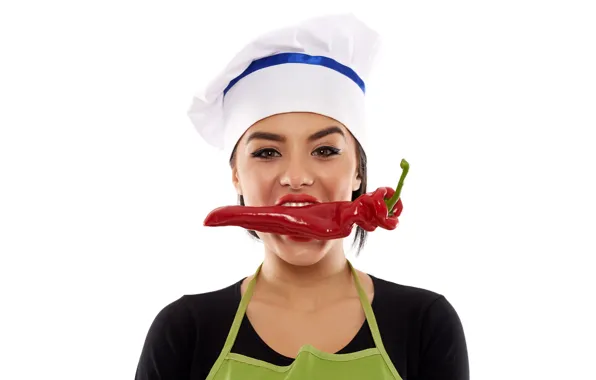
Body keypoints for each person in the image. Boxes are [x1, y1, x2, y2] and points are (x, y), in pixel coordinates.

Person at [135, 13, 469, 380]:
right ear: (236, 176)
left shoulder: (424, 324)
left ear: (358, 169)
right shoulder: (185, 332)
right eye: (266, 152)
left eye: (324, 151)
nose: (296, 177)